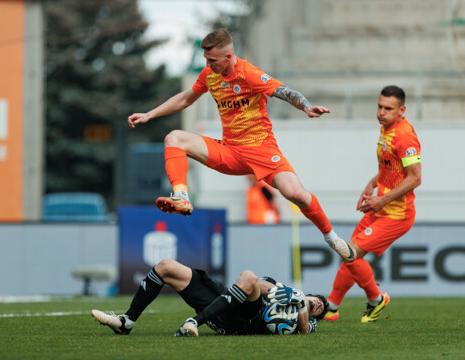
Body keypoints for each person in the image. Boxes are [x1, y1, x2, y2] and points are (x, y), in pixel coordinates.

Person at [127, 28, 354, 261]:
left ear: (228, 56)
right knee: (173, 138)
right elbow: (186, 98)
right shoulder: (209, 75)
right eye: (206, 59)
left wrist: (306, 107)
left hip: (261, 151)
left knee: (298, 195)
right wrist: (149, 114)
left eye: (212, 60)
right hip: (230, 151)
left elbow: (284, 91)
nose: (208, 64)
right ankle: (181, 197)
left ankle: (332, 238)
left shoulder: (249, 74)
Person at [323, 85, 422, 323]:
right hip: (381, 206)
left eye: (388, 108)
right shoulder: (386, 129)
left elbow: (415, 178)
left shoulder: (405, 136)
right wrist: (372, 184)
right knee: (348, 252)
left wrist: (382, 199)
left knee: (351, 253)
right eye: (379, 106)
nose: (381, 112)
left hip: (397, 214)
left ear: (402, 110)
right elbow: (391, 168)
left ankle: (376, 299)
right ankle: (332, 307)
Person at [91, 258, 329, 336]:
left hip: (248, 319)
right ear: (309, 293)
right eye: (317, 299)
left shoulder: (307, 320)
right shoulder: (284, 289)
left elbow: (304, 330)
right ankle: (126, 322)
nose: (319, 304)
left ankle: (194, 321)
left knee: (248, 276)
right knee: (165, 267)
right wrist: (288, 292)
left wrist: (301, 305)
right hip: (225, 302)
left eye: (320, 307)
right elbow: (263, 284)